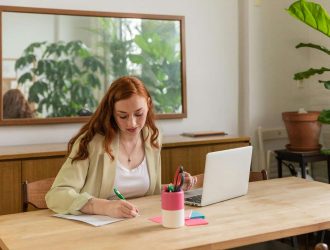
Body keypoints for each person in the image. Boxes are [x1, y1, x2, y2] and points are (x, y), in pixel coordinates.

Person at [46, 76, 196, 218]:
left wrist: (173, 189)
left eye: (139, 114)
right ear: (112, 112)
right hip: (98, 232)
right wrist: (105, 207)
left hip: (139, 223)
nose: (132, 123)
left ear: (148, 105)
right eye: (122, 116)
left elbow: (147, 193)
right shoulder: (91, 142)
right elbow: (56, 195)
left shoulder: (152, 137)